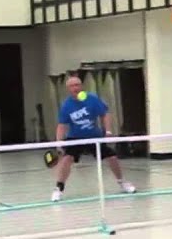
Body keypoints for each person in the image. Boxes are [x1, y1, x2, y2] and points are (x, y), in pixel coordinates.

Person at [51, 73, 136, 201]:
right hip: (75, 138)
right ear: (68, 89)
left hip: (94, 136)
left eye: (78, 85)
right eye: (72, 86)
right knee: (67, 159)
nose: (76, 88)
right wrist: (58, 143)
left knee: (112, 157)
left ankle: (122, 182)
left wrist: (107, 131)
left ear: (82, 86)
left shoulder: (92, 99)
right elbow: (62, 125)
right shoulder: (66, 105)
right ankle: (59, 189)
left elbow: (105, 114)